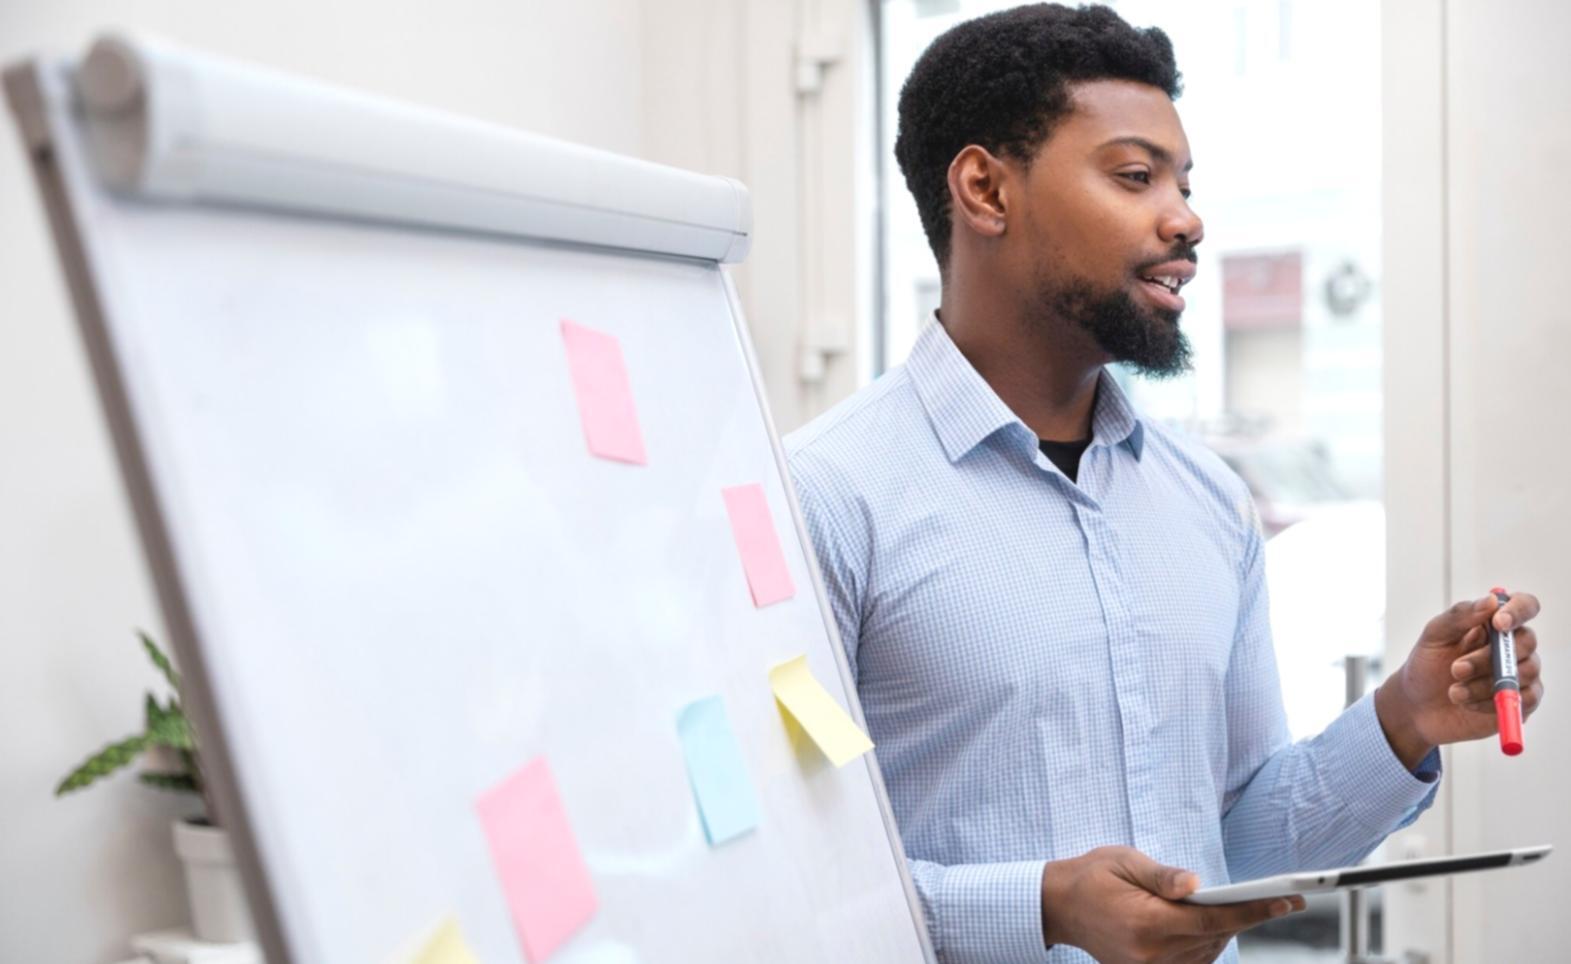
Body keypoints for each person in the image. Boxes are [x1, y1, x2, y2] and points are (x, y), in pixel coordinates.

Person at [783, 5, 1546, 962]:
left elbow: (1232, 848)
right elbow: (783, 886)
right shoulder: (822, 499)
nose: (1184, 217)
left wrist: (1404, 718)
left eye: (1183, 184)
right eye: (1135, 175)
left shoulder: (1206, 502)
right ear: (984, 189)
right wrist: (1042, 906)